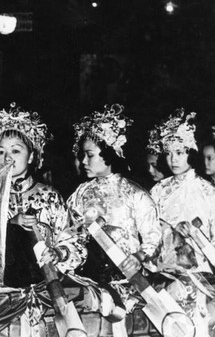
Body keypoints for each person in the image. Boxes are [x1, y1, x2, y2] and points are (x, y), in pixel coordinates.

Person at [67, 104, 161, 310]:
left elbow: (153, 236)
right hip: (90, 282)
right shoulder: (80, 193)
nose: (83, 160)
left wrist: (138, 257)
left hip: (129, 282)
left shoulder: (135, 194)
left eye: (89, 154)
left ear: (108, 154)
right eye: (83, 154)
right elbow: (69, 232)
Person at [0, 102, 87, 288]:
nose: (7, 158)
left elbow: (73, 239)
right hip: (2, 290)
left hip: (47, 287)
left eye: (15, 150)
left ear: (30, 157)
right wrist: (11, 224)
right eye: (1, 152)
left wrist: (58, 253)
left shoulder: (49, 195)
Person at [149, 109, 215, 272]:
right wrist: (171, 232)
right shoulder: (158, 190)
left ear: (191, 152)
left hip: (201, 272)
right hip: (165, 270)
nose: (173, 160)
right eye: (168, 154)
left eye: (179, 153)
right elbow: (148, 231)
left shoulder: (210, 193)